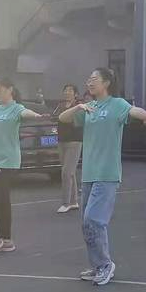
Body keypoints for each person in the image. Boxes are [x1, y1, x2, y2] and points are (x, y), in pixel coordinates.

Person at [57, 67, 146, 286]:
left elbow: (135, 111)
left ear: (107, 83)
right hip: (89, 173)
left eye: (94, 79)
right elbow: (63, 118)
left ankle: (105, 265)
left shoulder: (116, 104)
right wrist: (78, 106)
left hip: (107, 173)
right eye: (88, 79)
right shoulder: (89, 107)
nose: (90, 82)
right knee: (86, 223)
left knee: (94, 220)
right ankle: (96, 265)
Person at [0, 79, 47, 258]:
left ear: (9, 90)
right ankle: (7, 240)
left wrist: (37, 116)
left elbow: (26, 113)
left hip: (7, 161)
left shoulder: (16, 108)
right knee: (3, 199)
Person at [55, 84, 84, 214]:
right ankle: (74, 202)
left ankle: (65, 203)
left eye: (70, 90)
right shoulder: (60, 105)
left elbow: (73, 121)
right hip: (61, 141)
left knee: (66, 172)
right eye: (65, 90)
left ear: (76, 94)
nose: (67, 92)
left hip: (74, 141)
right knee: (69, 172)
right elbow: (56, 117)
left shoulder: (79, 106)